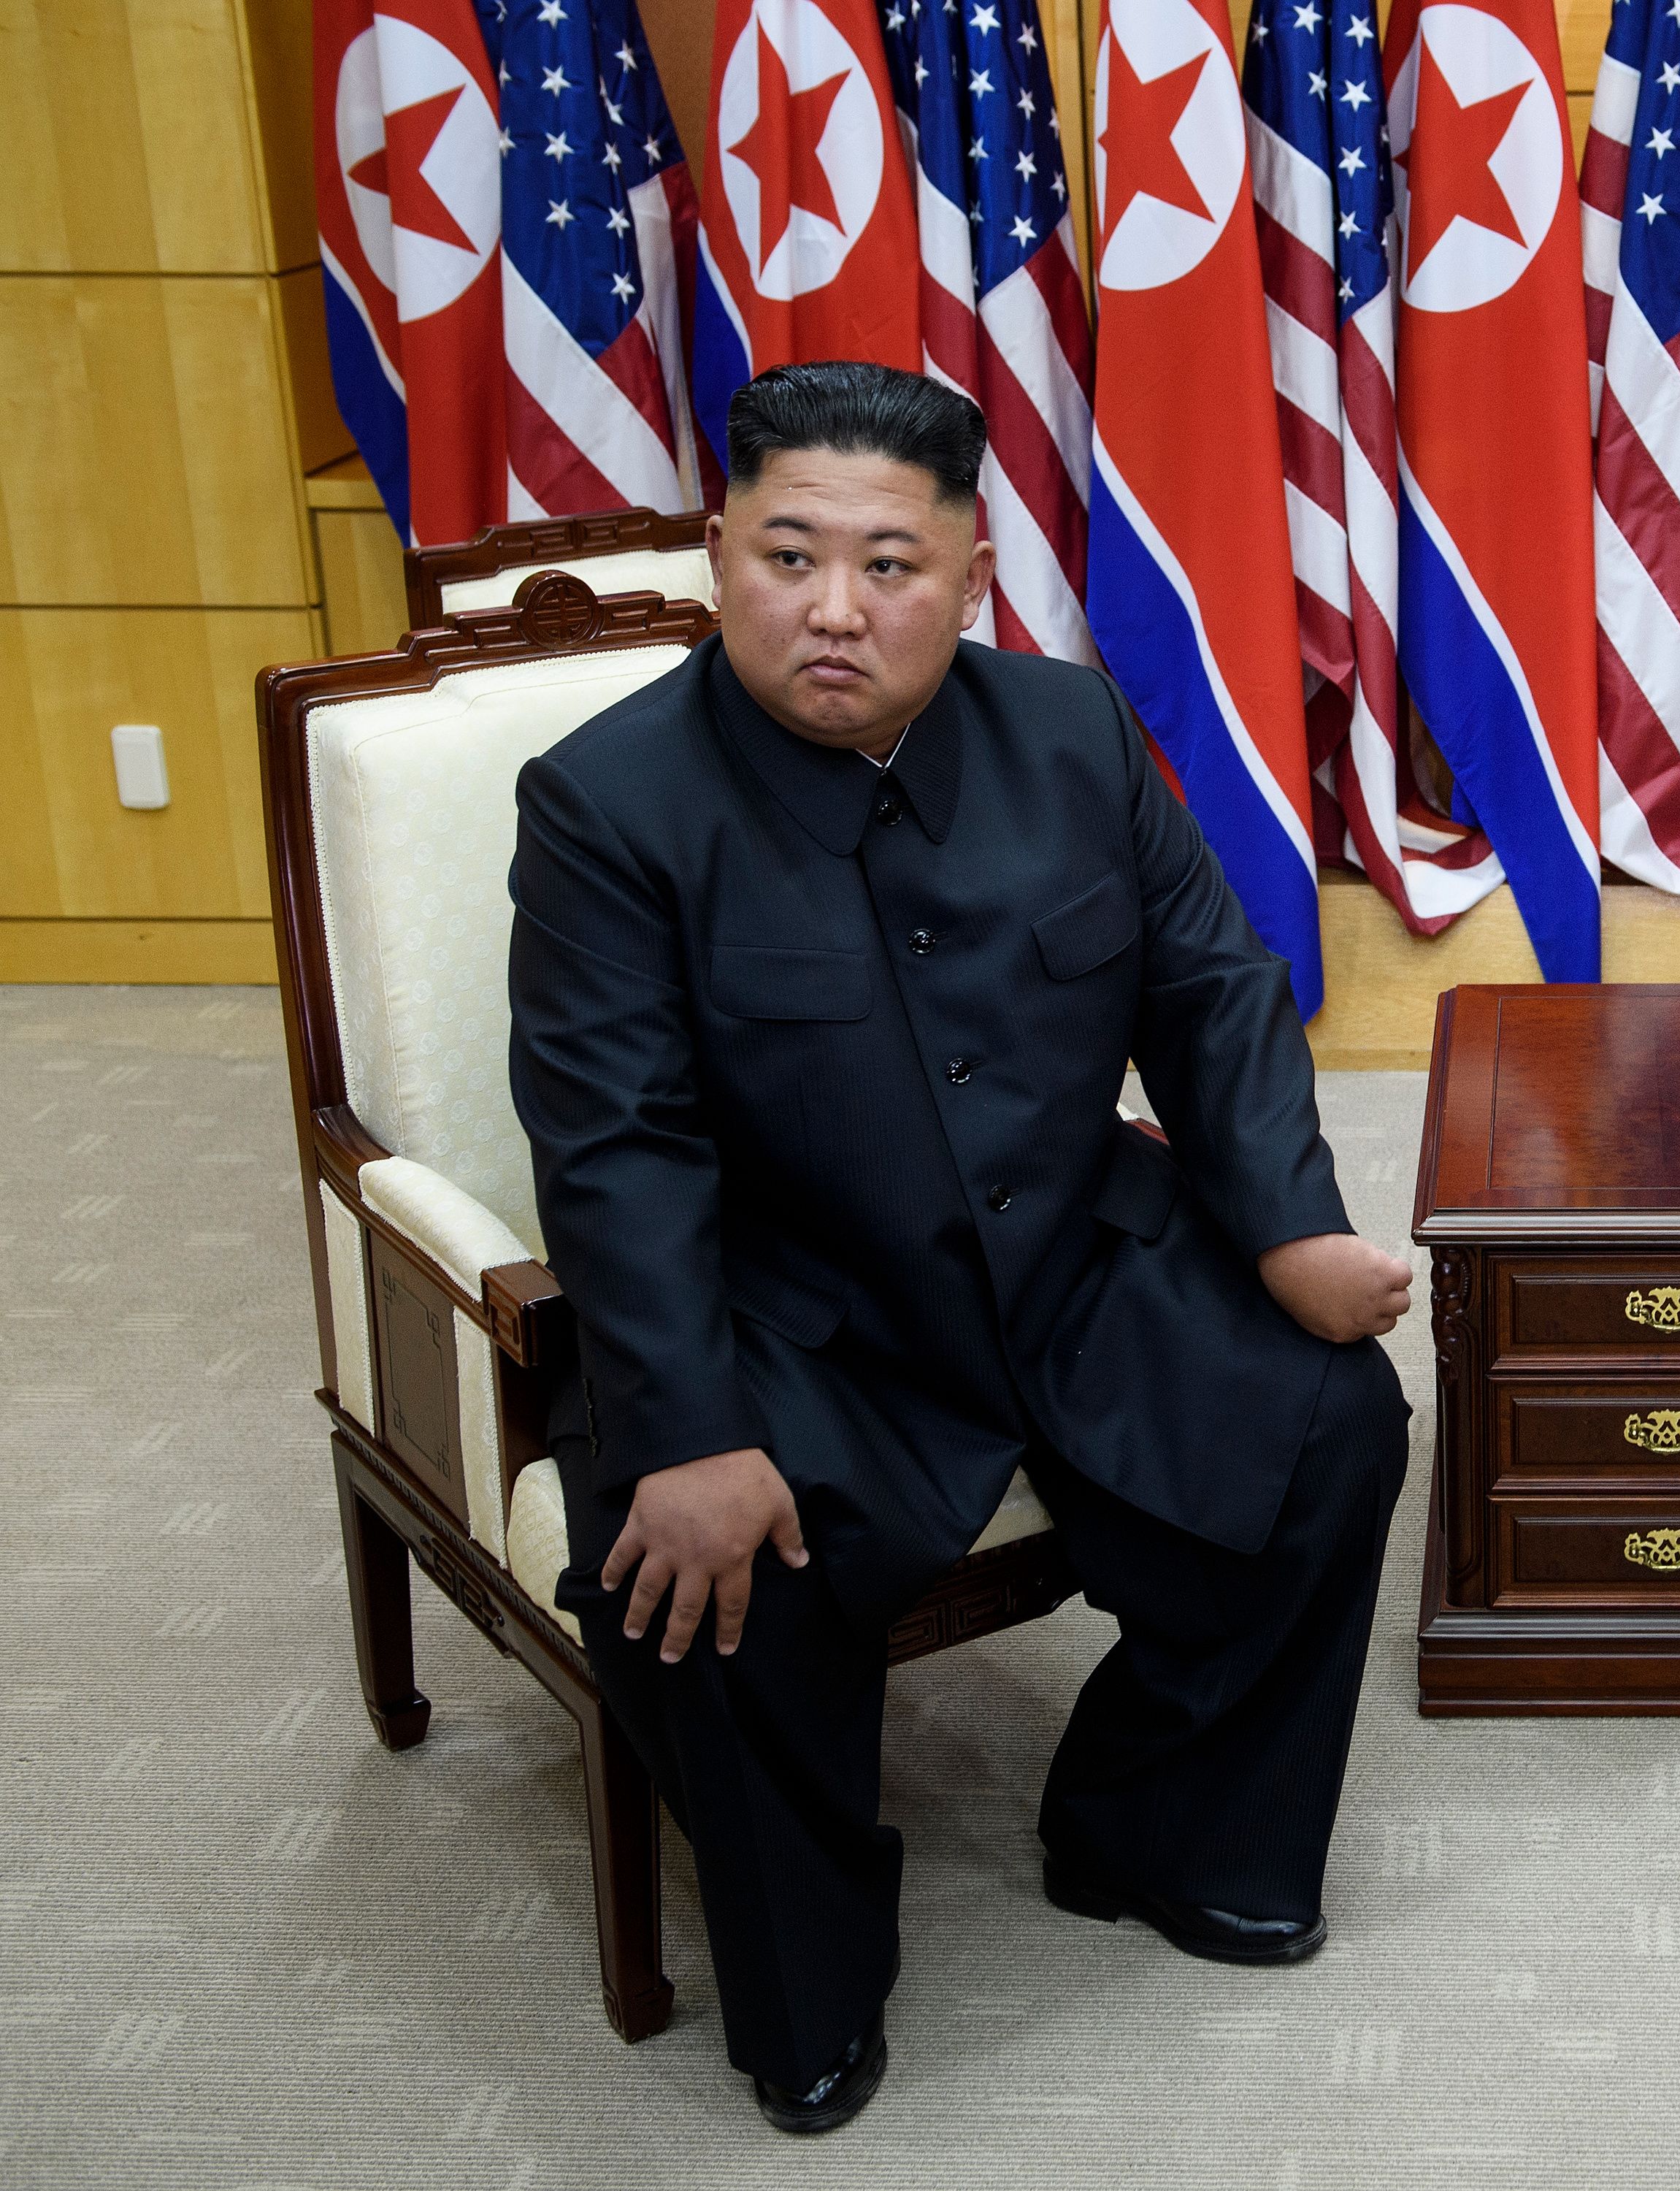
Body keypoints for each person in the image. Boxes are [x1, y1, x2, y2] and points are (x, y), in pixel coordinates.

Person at [507, 362, 1413, 2132]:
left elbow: (1212, 993)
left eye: (890, 566)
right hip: (789, 1315)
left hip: (1071, 1253)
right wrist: (685, 1429)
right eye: (788, 556)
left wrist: (1291, 1226)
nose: (835, 611)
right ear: (719, 555)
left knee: (1331, 1425)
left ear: (974, 573)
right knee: (698, 1579)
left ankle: (1152, 1825)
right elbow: (616, 1150)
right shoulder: (611, 807)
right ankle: (817, 1977)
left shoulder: (1071, 734)